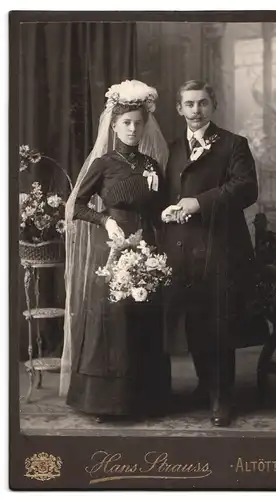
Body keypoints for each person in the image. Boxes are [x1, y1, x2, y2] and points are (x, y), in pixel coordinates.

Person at [59, 80, 171, 422]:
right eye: (126, 123)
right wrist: (106, 220)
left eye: (138, 123)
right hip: (113, 248)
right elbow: (75, 205)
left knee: (144, 317)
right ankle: (105, 403)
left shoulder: (152, 165)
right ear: (114, 125)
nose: (133, 129)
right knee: (114, 320)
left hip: (146, 246)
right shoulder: (103, 163)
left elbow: (159, 206)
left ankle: (145, 400)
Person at [161, 80, 258, 427]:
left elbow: (246, 189)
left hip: (219, 246)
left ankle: (222, 397)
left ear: (213, 105)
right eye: (189, 104)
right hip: (182, 248)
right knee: (194, 319)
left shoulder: (234, 144)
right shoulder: (172, 149)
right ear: (179, 109)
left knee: (218, 322)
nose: (196, 110)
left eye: (203, 103)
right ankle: (206, 385)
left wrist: (199, 202)